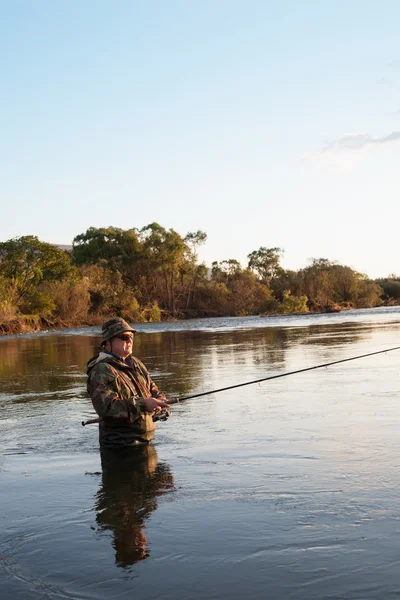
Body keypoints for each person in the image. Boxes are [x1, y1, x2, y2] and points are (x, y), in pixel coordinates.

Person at [87, 317, 170, 448]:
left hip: (146, 443)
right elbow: (107, 409)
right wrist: (143, 404)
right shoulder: (101, 371)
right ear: (108, 342)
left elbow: (152, 388)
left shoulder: (136, 364)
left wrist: (161, 400)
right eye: (124, 337)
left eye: (131, 336)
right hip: (119, 448)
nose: (130, 340)